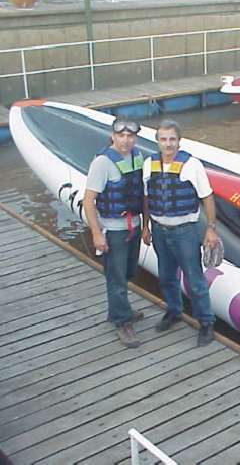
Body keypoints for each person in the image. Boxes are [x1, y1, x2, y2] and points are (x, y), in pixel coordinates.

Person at [142, 119, 217, 347]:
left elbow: (207, 198)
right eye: (163, 139)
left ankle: (206, 322)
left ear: (179, 141)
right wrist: (145, 226)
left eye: (172, 139)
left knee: (195, 280)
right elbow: (147, 197)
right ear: (157, 142)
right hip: (159, 229)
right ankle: (173, 311)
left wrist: (210, 229)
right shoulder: (149, 163)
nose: (168, 144)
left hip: (185, 231)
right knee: (165, 276)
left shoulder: (192, 165)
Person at [83, 117, 145, 348]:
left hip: (134, 226)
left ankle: (119, 309)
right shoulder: (102, 162)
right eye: (121, 135)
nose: (126, 141)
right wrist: (97, 234)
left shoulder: (137, 156)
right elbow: (89, 201)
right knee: (116, 276)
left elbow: (142, 194)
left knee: (128, 272)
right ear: (113, 136)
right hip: (114, 230)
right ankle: (122, 321)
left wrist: (145, 225)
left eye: (130, 136)